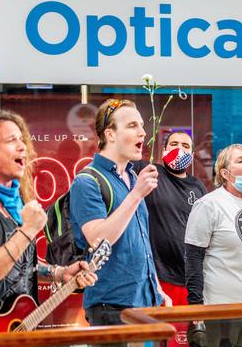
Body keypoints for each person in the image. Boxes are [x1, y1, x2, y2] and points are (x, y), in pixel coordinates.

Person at [0, 109, 97, 317]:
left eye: (22, 139)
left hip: (18, 329)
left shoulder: (16, 204)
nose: (23, 147)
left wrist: (58, 273)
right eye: (12, 140)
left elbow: (20, 264)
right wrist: (28, 230)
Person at [70, 99, 171, 328]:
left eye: (142, 126)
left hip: (145, 303)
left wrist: (156, 288)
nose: (143, 133)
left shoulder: (133, 179)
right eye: (132, 126)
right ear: (110, 134)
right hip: (111, 307)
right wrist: (136, 195)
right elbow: (98, 239)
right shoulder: (87, 181)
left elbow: (141, 242)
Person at [184, 143, 242, 347]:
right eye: (240, 161)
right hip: (220, 307)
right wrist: (195, 305)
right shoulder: (208, 204)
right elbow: (193, 257)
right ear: (225, 173)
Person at [133, 131, 207, 306]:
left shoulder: (198, 186)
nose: (179, 149)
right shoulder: (149, 173)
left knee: (188, 333)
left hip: (190, 278)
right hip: (157, 277)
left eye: (185, 146)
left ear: (192, 155)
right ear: (164, 150)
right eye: (174, 144)